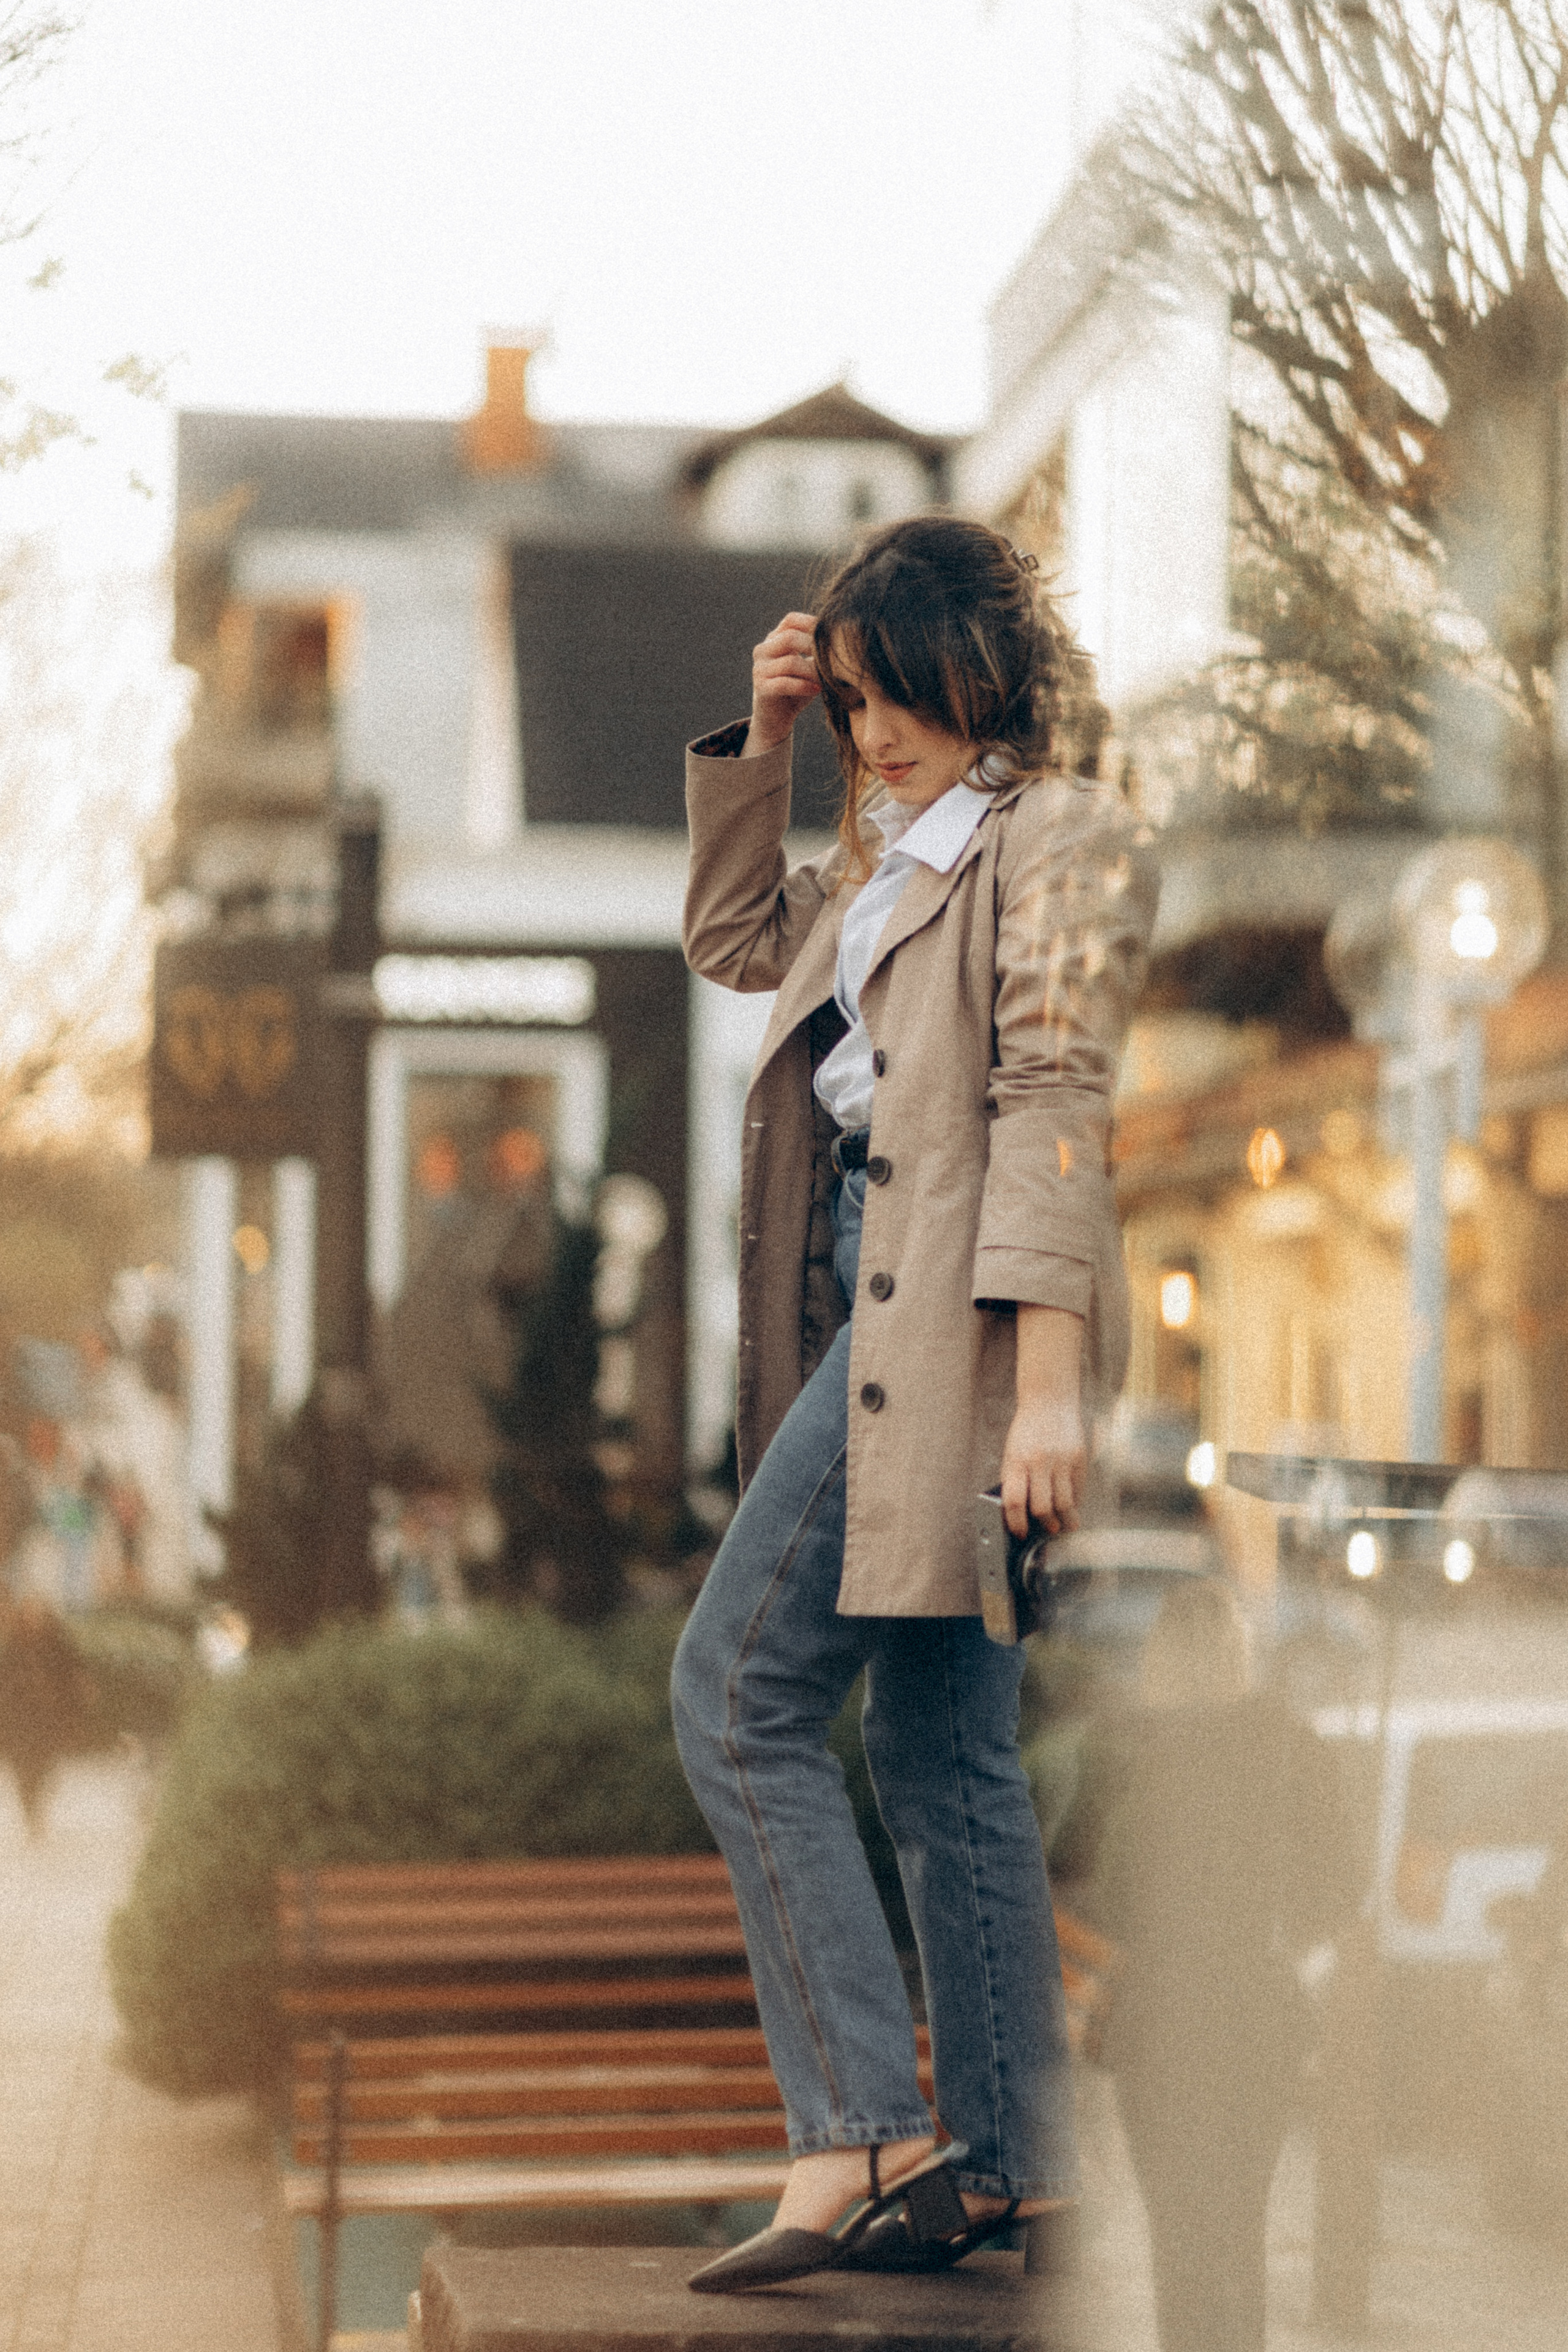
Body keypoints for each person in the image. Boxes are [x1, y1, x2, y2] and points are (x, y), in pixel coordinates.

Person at [669, 516, 1159, 2291]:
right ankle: (1010, 2165)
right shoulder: (892, 863)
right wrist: (772, 736)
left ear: (986, 661)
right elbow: (734, 938)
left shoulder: (1060, 839)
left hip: (954, 1330)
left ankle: (857, 2128)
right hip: (859, 1313)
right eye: (858, 697)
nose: (876, 729)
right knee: (945, 1754)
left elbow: (1051, 1108)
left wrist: (1046, 1391)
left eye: (895, 690)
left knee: (734, 1694)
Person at [1087, 1578, 1357, 2352]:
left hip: (1160, 2020)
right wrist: (1286, 1929)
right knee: (1239, 2227)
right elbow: (1340, 1883)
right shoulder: (1290, 1743)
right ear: (1240, 1649)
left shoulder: (1136, 1747)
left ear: (1158, 1656)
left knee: (1177, 2237)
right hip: (1255, 2014)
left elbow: (1111, 1888)